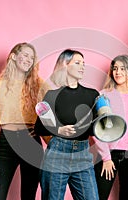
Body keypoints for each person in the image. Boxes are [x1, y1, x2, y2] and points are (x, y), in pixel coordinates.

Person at [34, 49, 100, 200]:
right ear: (65, 65)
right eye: (77, 63)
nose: (82, 66)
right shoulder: (52, 95)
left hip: (83, 154)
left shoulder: (92, 95)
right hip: (57, 153)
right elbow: (38, 127)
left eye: (84, 63)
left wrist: (105, 115)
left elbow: (97, 129)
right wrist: (59, 130)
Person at [0, 42, 44, 200]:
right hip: (6, 143)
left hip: (31, 141)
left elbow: (50, 111)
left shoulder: (38, 85)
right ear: (13, 56)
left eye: (31, 58)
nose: (28, 60)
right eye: (25, 55)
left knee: (28, 195)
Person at [92, 55, 128, 200]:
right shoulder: (103, 96)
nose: (117, 72)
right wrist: (106, 158)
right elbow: (97, 129)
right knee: (100, 195)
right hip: (107, 153)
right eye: (115, 69)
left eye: (122, 69)